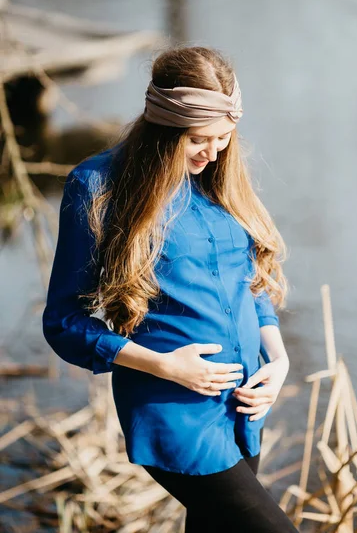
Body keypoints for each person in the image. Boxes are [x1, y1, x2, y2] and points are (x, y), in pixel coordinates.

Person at [42, 46, 299, 532]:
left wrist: (279, 360)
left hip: (244, 405)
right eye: (199, 139)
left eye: (224, 138)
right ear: (163, 129)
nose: (215, 152)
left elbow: (248, 281)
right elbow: (63, 324)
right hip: (174, 413)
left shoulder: (220, 179)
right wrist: (164, 365)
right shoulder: (97, 186)